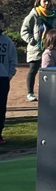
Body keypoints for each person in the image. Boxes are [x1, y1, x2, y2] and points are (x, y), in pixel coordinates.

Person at [20, 0, 56, 101]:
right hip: (36, 48)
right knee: (33, 70)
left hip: (51, 47)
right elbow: (24, 31)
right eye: (44, 1)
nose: (47, 3)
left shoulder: (54, 15)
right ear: (39, 2)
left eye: (48, 1)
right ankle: (30, 93)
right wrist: (33, 41)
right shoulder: (33, 15)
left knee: (50, 71)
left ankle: (49, 93)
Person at [0, 13, 16, 145]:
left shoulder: (7, 41)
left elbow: (12, 60)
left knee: (1, 107)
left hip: (2, 78)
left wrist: (9, 75)